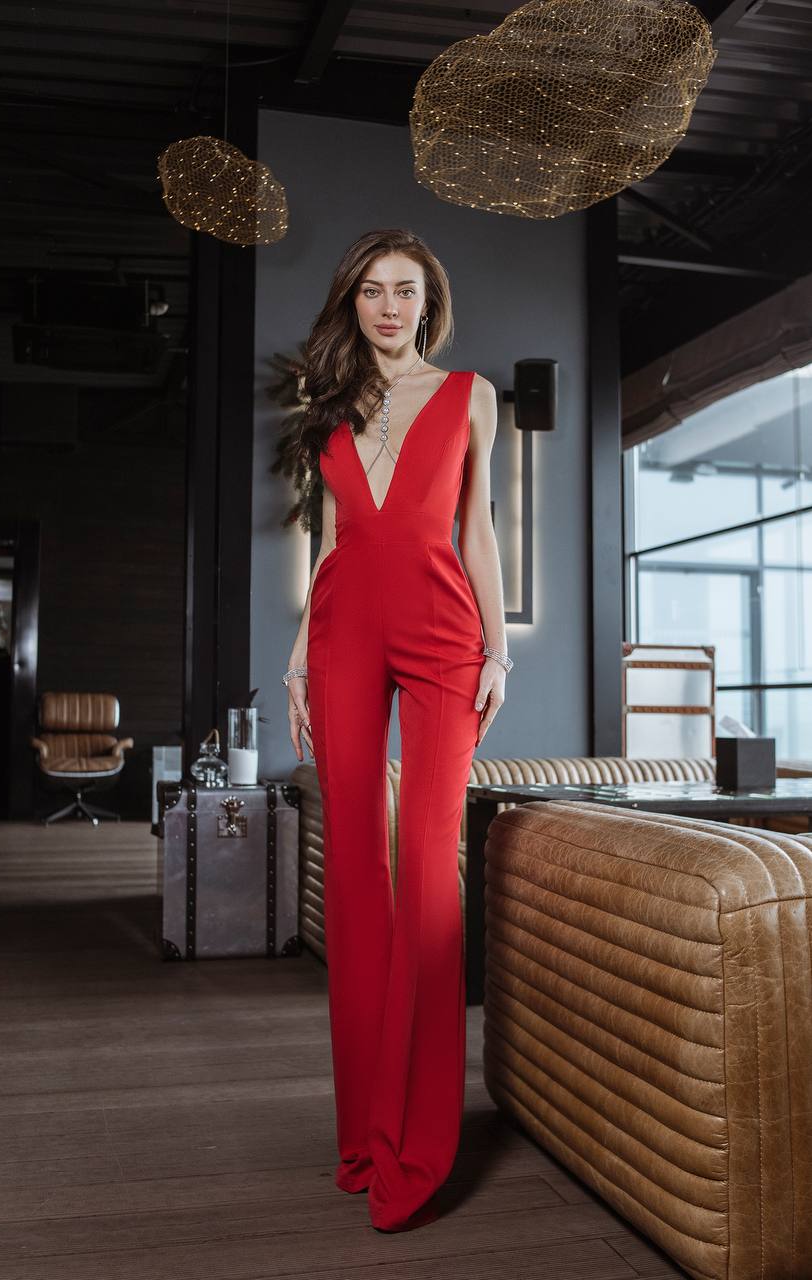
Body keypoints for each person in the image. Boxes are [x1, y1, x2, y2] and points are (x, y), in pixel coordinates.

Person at [283, 228, 512, 1232]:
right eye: (371, 290)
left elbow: (478, 529)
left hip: (442, 635)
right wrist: (298, 656)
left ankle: (419, 1144)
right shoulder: (328, 402)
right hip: (342, 632)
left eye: (405, 290)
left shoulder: (471, 396)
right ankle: (365, 1131)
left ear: (428, 302)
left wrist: (498, 650)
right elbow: (329, 540)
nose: (388, 306)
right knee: (355, 877)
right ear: (353, 302)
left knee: (425, 872)